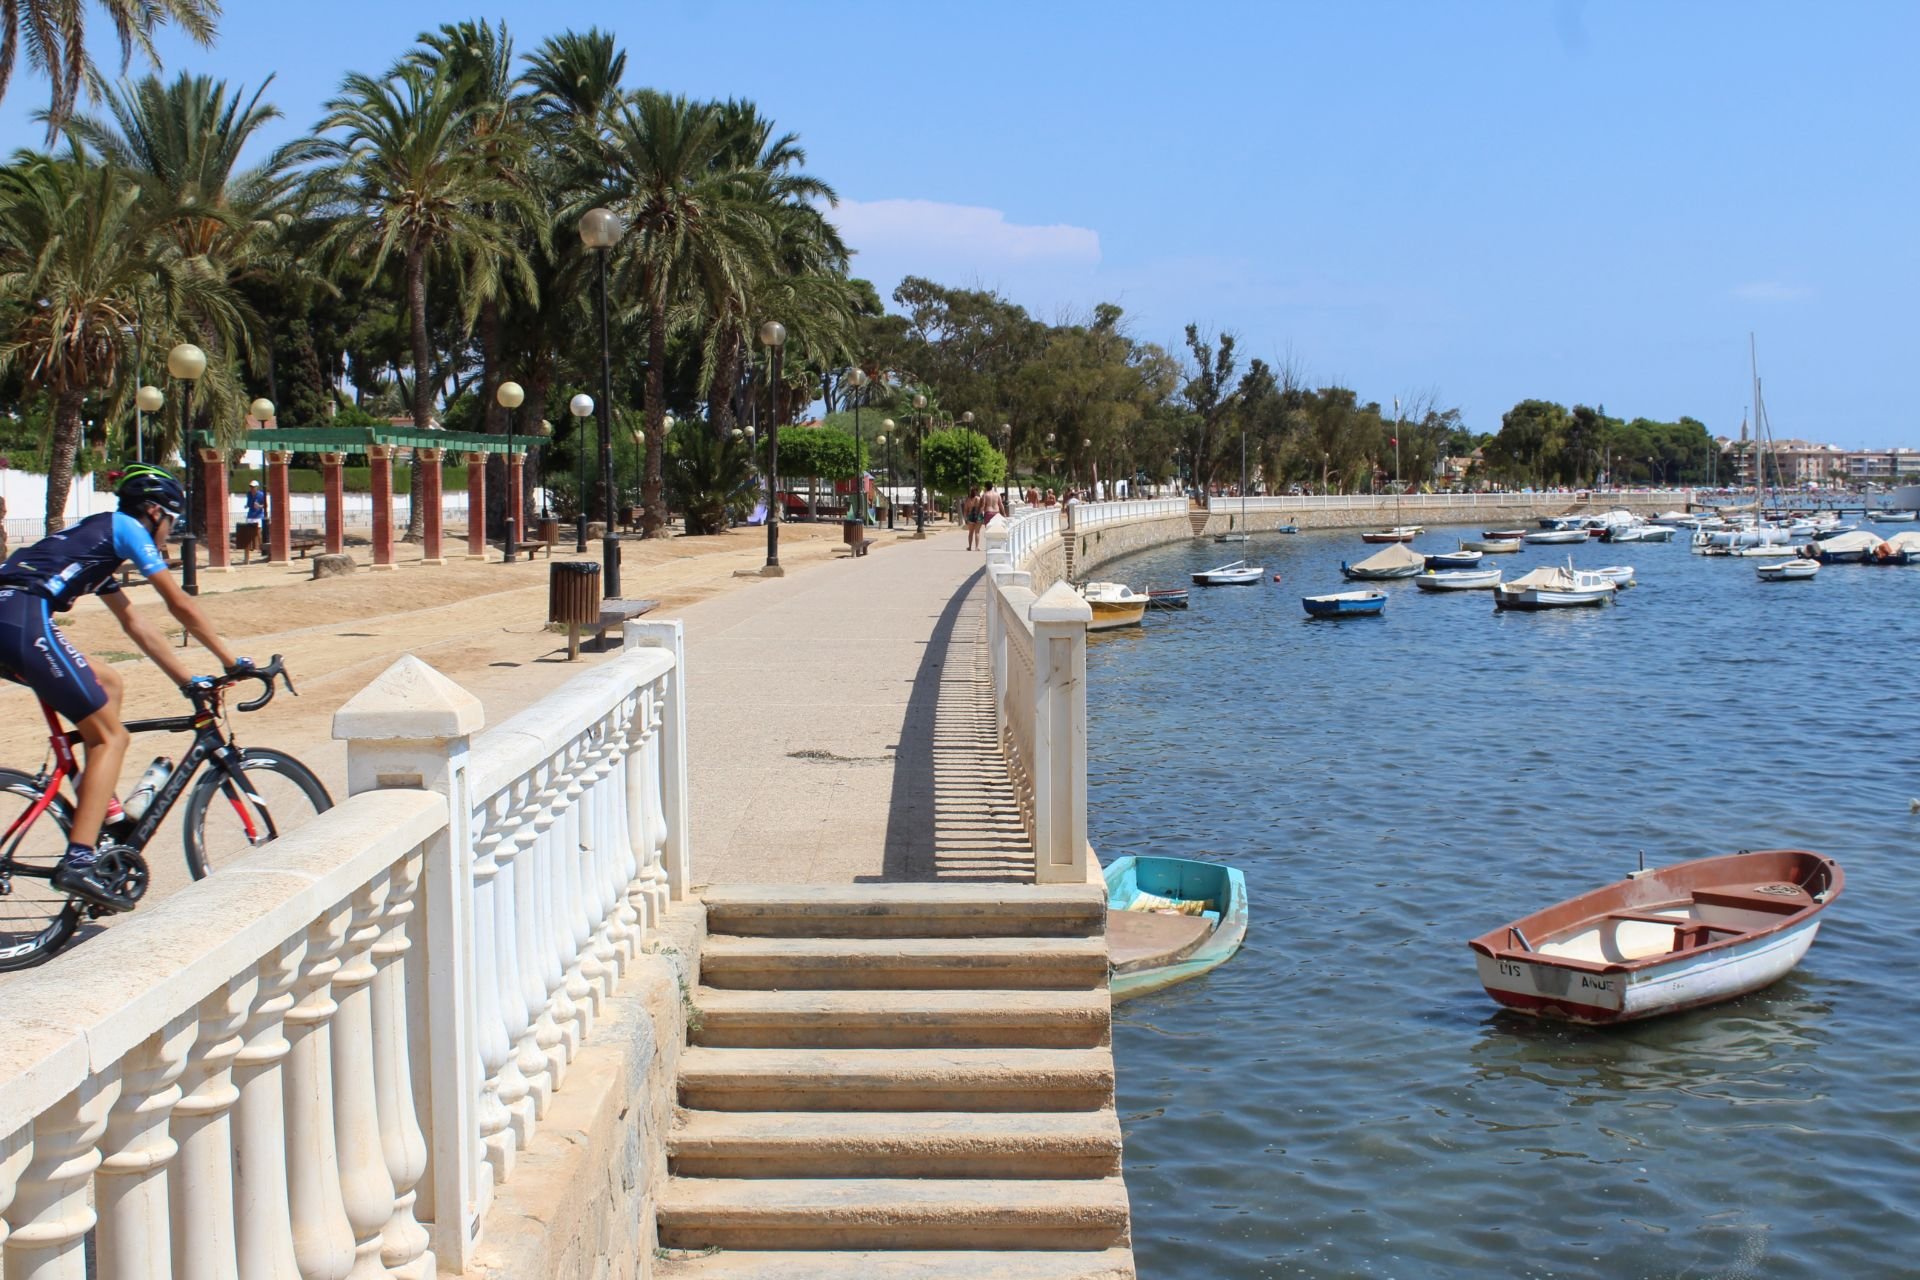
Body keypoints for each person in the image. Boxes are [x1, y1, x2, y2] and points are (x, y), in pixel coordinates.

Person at [0, 466, 250, 911]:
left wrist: (187, 681)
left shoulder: (99, 541)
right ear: (154, 511)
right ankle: (78, 862)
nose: (170, 533)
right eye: (171, 521)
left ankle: (106, 813)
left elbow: (135, 623)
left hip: (11, 620)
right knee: (112, 737)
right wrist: (232, 662)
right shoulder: (126, 529)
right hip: (21, 618)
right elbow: (179, 603)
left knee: (110, 682)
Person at [239, 479, 266, 564]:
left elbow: (265, 505)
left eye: (253, 487)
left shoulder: (261, 495)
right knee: (248, 532)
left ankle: (260, 546)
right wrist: (247, 505)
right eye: (251, 487)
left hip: (258, 515)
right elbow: (249, 503)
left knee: (258, 531)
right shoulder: (249, 494)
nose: (251, 488)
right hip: (250, 515)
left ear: (256, 487)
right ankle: (250, 547)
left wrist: (259, 506)